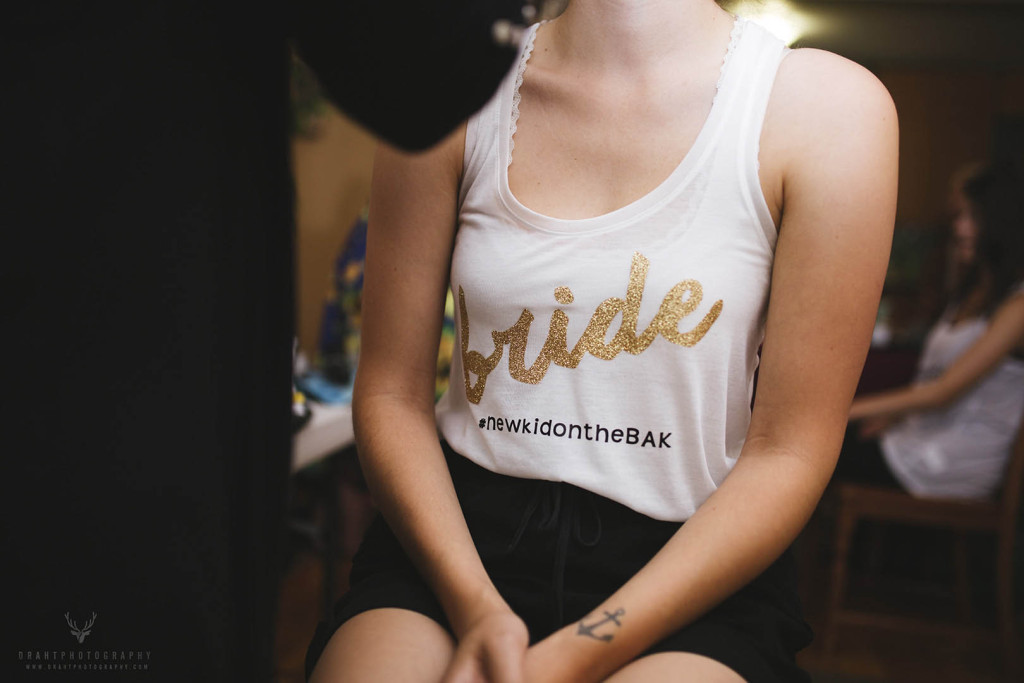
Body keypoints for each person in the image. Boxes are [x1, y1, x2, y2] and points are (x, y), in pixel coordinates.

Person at [305, 0, 898, 680]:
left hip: (692, 569)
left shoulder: (829, 109)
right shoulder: (451, 87)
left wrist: (580, 649)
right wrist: (477, 608)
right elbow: (391, 393)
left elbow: (788, 451)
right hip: (454, 543)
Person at [841, 162, 1024, 499]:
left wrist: (844, 412)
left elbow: (943, 392)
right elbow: (932, 379)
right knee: (823, 450)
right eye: (958, 217)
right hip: (918, 438)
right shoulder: (969, 294)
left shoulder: (1017, 307)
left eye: (973, 217)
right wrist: (893, 418)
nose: (960, 228)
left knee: (819, 453)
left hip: (953, 458)